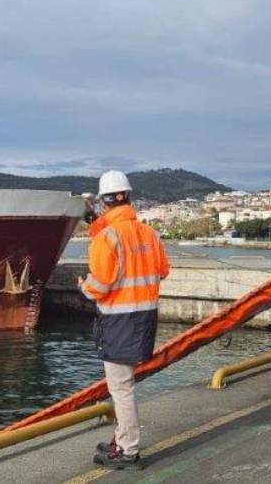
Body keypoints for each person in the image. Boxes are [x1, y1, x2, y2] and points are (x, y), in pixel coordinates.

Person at [78, 170, 170, 469]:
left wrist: (84, 287)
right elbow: (162, 271)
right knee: (125, 383)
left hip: (118, 321)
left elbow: (101, 285)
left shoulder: (107, 237)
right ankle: (121, 437)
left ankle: (128, 449)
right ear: (128, 197)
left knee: (121, 387)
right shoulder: (150, 234)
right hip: (145, 318)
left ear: (104, 202)